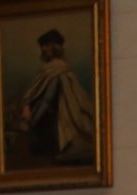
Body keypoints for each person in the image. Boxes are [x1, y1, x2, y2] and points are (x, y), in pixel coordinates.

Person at [20, 28, 94, 166]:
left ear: (52, 47)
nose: (42, 50)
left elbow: (47, 100)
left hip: (53, 120)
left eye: (44, 46)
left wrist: (33, 121)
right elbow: (36, 93)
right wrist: (27, 106)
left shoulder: (56, 68)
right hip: (49, 118)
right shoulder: (52, 68)